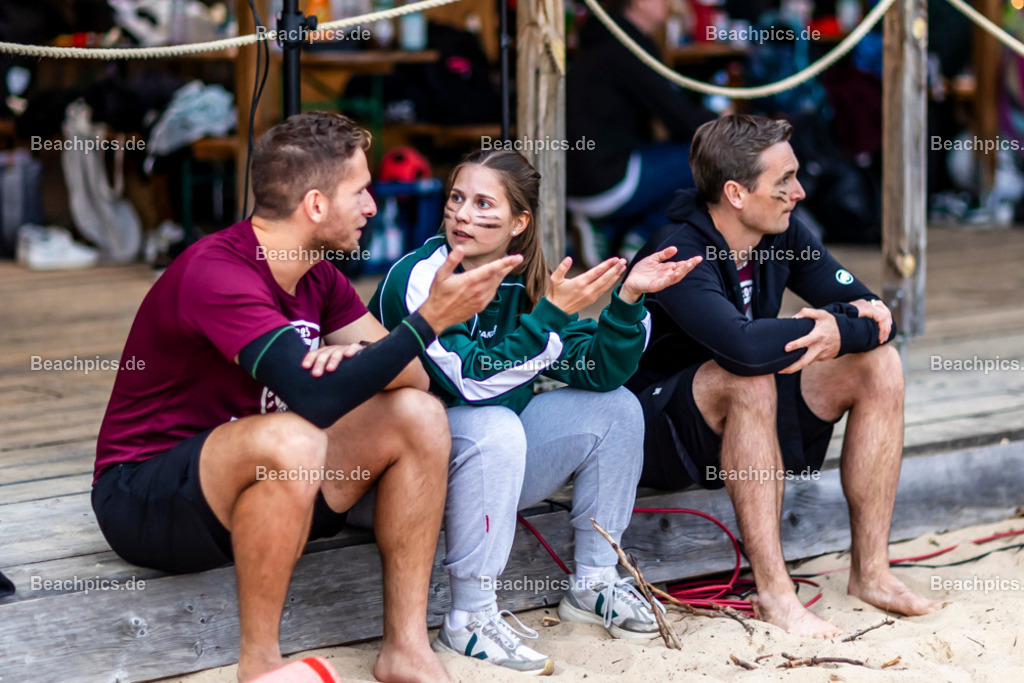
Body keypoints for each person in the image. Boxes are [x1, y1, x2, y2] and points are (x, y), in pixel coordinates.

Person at [91, 112, 522, 682]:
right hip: (148, 499)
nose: (373, 207)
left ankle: (406, 649)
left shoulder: (318, 275)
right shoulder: (216, 271)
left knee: (417, 415)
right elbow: (317, 402)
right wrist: (427, 320)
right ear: (316, 206)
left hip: (271, 486)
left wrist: (356, 362)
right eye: (361, 192)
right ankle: (261, 667)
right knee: (294, 436)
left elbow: (413, 380)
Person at [370, 148, 702, 674]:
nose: (463, 214)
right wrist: (547, 321)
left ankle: (595, 584)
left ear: (519, 222)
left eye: (484, 204)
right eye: (457, 198)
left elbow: (599, 371)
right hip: (398, 484)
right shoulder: (421, 274)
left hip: (486, 470)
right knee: (497, 424)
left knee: (617, 408)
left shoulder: (528, 283)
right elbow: (470, 382)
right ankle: (469, 617)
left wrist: (627, 300)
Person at [626, 114, 939, 638]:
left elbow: (875, 313)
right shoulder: (679, 250)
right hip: (656, 430)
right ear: (736, 193)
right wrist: (831, 326)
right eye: (784, 181)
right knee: (744, 376)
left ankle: (872, 573)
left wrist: (842, 332)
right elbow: (744, 352)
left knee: (878, 363)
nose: (799, 191)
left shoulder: (783, 233)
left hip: (747, 412)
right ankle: (774, 592)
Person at [566, 0, 716, 263]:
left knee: (672, 158)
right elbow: (682, 122)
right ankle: (642, 234)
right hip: (608, 181)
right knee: (709, 155)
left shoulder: (599, 43)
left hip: (575, 185)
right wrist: (727, 122)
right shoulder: (628, 48)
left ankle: (606, 228)